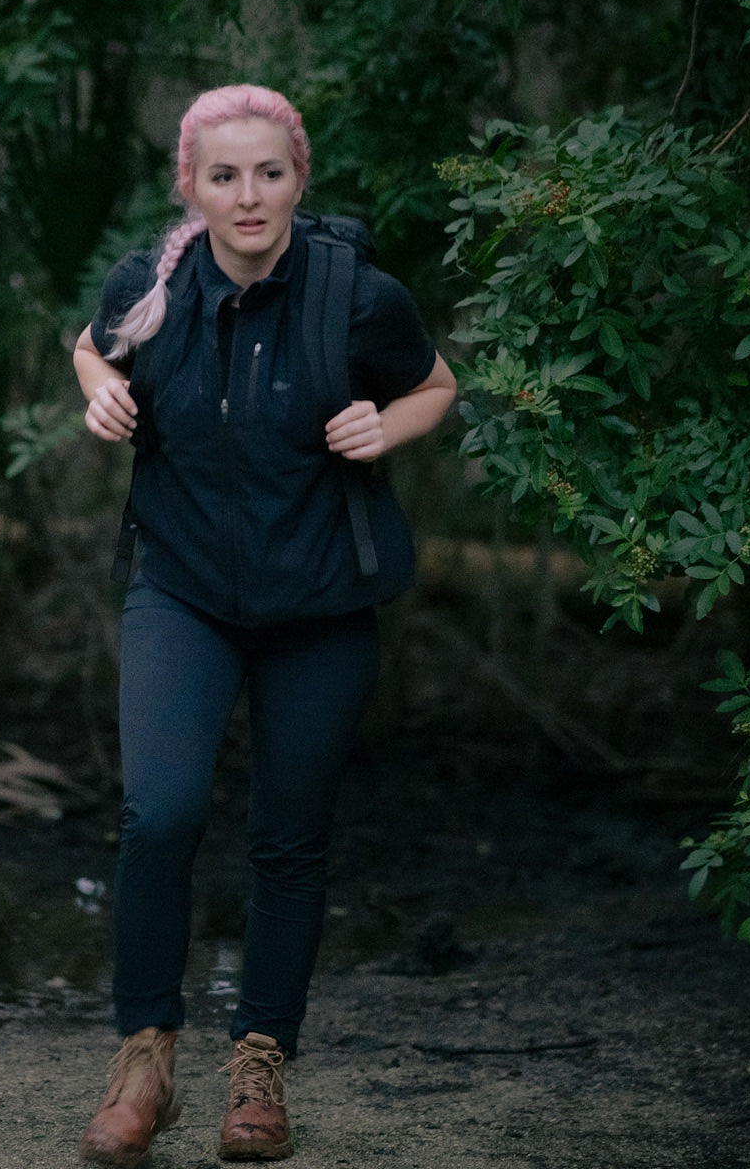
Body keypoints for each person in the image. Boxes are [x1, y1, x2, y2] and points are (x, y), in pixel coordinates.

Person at [72, 83, 456, 1166]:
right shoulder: (149, 285)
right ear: (190, 185)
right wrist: (100, 384)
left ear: (298, 178)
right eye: (226, 176)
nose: (251, 197)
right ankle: (145, 1059)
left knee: (290, 836)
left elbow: (437, 386)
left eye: (271, 173)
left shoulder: (354, 295)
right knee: (160, 813)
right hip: (182, 591)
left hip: (322, 603)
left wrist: (390, 421)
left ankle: (260, 1067)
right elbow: (87, 344)